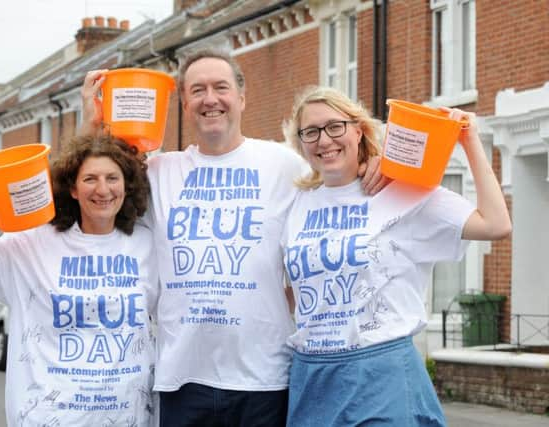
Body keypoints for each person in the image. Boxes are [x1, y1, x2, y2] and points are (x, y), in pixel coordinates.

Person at [80, 49, 387, 427]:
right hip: (182, 380)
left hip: (264, 380)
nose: (210, 98)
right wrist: (92, 126)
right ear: (185, 104)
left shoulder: (284, 165)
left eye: (220, 87)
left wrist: (375, 161)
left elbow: (340, 163)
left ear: (241, 98)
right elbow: (85, 194)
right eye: (198, 90)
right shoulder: (158, 172)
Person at [280, 86, 512, 426]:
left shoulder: (401, 190)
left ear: (358, 130)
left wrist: (470, 141)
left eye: (335, 126)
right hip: (312, 376)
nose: (324, 140)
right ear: (300, 143)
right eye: (310, 132)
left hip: (380, 373)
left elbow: (495, 224)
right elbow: (291, 292)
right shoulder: (294, 202)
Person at [0, 135, 159, 427]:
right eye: (90, 179)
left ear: (127, 185)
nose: (103, 189)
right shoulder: (36, 244)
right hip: (48, 418)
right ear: (72, 188)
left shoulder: (147, 245)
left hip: (127, 417)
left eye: (113, 178)